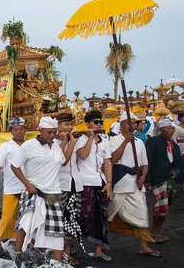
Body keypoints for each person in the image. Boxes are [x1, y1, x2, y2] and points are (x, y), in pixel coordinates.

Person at [11, 116, 65, 265]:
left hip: (53, 192)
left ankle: (56, 262)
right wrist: (27, 184)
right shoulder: (28, 146)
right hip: (33, 191)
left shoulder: (56, 146)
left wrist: (69, 142)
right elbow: (14, 166)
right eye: (49, 132)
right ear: (40, 130)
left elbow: (63, 161)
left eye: (54, 132)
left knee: (55, 228)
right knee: (26, 224)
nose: (52, 135)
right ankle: (18, 254)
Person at [108, 112, 160, 258]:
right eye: (128, 123)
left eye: (134, 123)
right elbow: (113, 159)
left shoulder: (140, 142)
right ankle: (100, 244)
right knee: (109, 214)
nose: (131, 126)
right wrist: (125, 142)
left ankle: (143, 245)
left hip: (135, 184)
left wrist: (143, 177)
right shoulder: (113, 140)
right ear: (121, 125)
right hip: (119, 183)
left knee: (142, 213)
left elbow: (145, 164)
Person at [75, 109, 113, 262]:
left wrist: (109, 183)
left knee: (102, 216)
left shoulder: (105, 140)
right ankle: (71, 247)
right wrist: (90, 138)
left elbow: (108, 162)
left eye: (101, 122)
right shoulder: (80, 139)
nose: (99, 125)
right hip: (84, 182)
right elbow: (83, 155)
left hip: (101, 181)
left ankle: (98, 250)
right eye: (96, 122)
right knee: (83, 216)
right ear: (88, 124)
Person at [0, 117, 26, 244]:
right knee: (8, 217)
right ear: (11, 131)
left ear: (25, 130)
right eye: (15, 130)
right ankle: (1, 239)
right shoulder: (5, 146)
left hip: (28, 188)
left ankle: (19, 241)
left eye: (21, 129)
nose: (19, 132)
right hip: (11, 187)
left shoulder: (30, 145)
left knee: (25, 217)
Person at [54, 113, 84, 266]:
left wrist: (89, 139)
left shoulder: (75, 139)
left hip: (75, 183)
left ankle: (66, 251)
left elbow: (83, 156)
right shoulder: (52, 141)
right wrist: (68, 142)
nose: (70, 127)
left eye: (70, 124)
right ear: (58, 126)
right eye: (66, 124)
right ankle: (57, 253)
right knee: (59, 220)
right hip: (59, 185)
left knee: (72, 219)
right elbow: (63, 161)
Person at [146, 118, 180, 243]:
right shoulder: (153, 142)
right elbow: (148, 160)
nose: (171, 130)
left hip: (170, 179)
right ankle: (154, 232)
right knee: (161, 207)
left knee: (165, 206)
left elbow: (177, 162)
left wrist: (176, 172)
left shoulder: (173, 144)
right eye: (168, 128)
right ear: (160, 129)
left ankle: (156, 231)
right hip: (158, 178)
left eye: (172, 128)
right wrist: (147, 179)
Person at [174, 113, 184, 192]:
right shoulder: (176, 127)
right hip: (180, 150)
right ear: (180, 118)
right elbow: (174, 139)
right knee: (181, 169)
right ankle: (182, 186)